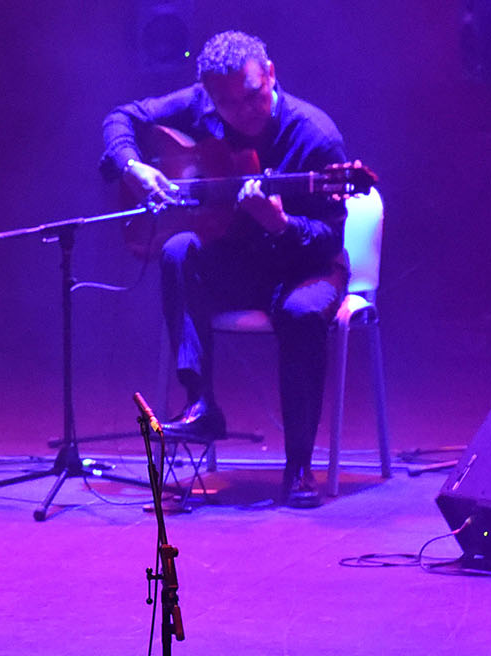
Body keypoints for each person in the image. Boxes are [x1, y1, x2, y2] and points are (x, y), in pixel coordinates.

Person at [101, 30, 349, 508]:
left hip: (305, 267)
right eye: (227, 103)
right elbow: (122, 118)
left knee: (299, 314)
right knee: (178, 249)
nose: (242, 110)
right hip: (236, 259)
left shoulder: (316, 136)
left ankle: (299, 465)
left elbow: (329, 239)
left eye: (252, 95)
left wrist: (281, 223)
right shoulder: (201, 103)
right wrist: (134, 167)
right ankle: (201, 402)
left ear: (270, 74)